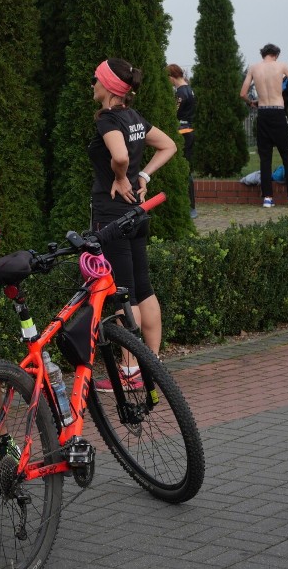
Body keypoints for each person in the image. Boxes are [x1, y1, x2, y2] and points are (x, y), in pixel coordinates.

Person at [88, 58, 177, 392]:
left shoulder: (109, 120)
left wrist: (123, 175)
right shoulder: (134, 117)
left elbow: (120, 156)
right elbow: (169, 144)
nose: (92, 84)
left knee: (124, 293)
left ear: (109, 87)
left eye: (95, 79)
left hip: (114, 216)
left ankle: (129, 372)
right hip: (137, 213)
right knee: (143, 288)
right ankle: (151, 364)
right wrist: (144, 176)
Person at [240, 43, 288, 208]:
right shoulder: (281, 66)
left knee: (265, 158)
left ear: (263, 54)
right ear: (276, 54)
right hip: (278, 113)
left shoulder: (254, 68)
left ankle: (267, 198)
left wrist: (251, 102)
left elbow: (242, 93)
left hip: (263, 114)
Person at [167, 63, 197, 219]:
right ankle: (191, 206)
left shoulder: (180, 93)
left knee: (183, 170)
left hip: (181, 133)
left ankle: (189, 207)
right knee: (187, 169)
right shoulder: (190, 89)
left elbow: (174, 113)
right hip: (189, 131)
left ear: (171, 77)